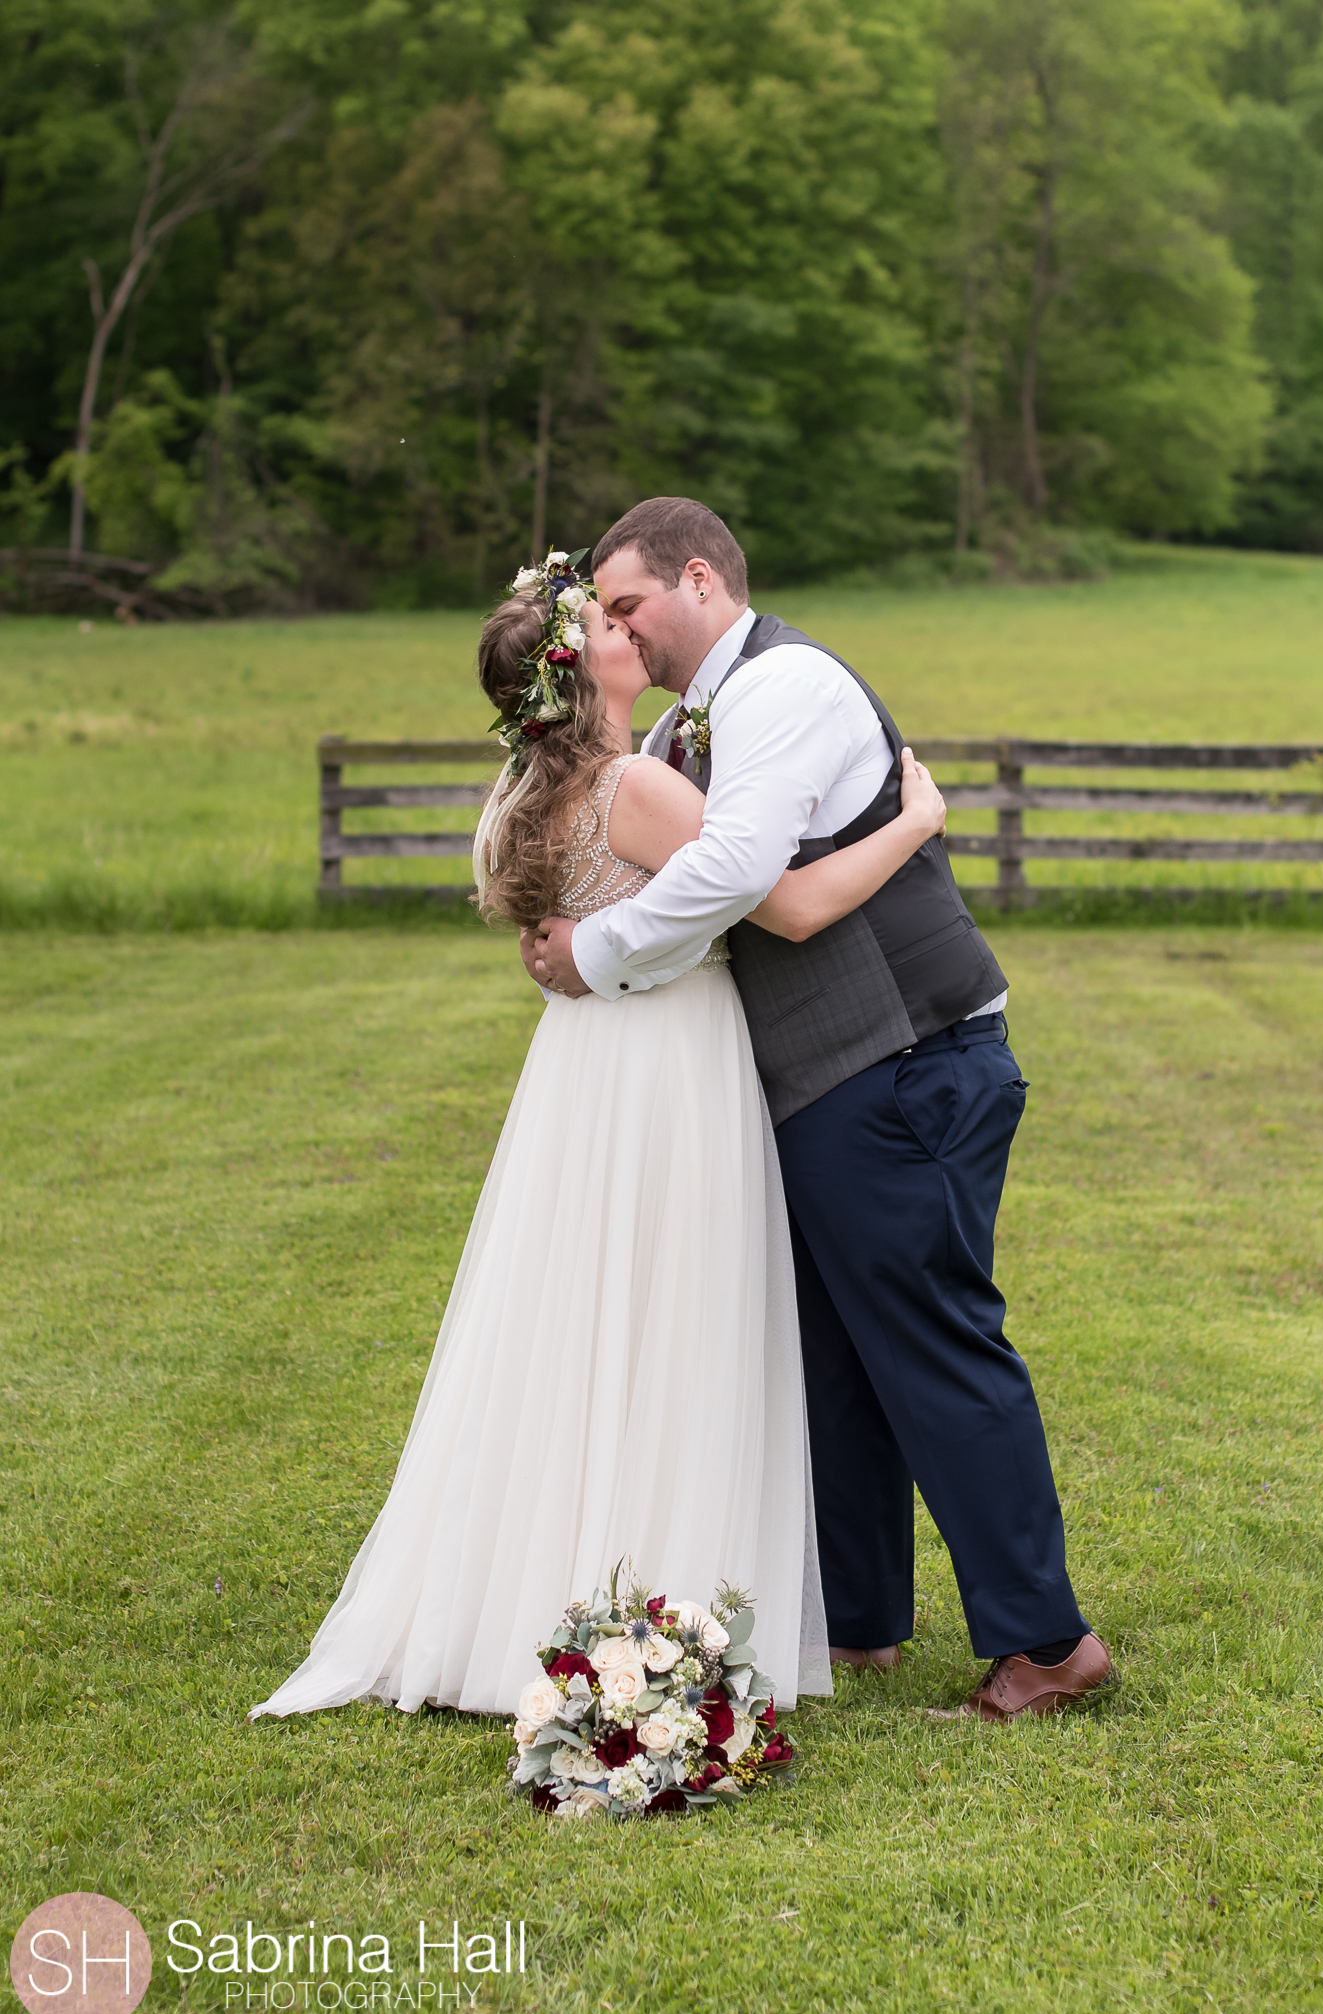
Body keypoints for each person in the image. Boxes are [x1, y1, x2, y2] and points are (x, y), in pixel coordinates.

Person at [250, 549, 948, 1722]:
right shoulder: (636, 784)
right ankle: (664, 1573)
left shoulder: (525, 791)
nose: (635, 626)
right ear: (590, 667)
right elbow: (778, 897)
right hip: (671, 1064)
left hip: (580, 1074)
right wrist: (915, 816)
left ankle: (556, 1565)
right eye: (611, 620)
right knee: (678, 1313)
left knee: (577, 1318)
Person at [529, 499, 1112, 1722]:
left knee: (933, 1346)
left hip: (904, 1059)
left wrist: (599, 950)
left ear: (700, 577)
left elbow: (750, 878)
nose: (617, 630)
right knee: (837, 1359)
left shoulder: (780, 687)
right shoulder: (708, 713)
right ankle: (857, 1623)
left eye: (629, 605)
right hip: (835, 1075)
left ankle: (1046, 1643)